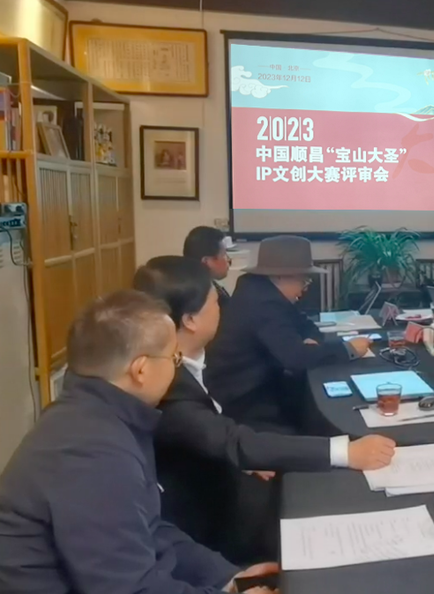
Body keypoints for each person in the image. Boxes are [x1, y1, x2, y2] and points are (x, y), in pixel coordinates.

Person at [0, 290, 278, 593]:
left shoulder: (98, 416)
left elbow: (150, 529)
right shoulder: (91, 451)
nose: (176, 368)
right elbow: (128, 589)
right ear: (141, 370)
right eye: (174, 358)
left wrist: (227, 579)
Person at [135, 256, 396, 563]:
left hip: (221, 468)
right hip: (202, 527)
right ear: (190, 320)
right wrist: (345, 452)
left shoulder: (182, 363)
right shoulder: (167, 385)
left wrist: (242, 455)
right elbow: (230, 440)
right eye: (215, 302)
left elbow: (220, 436)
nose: (224, 310)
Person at [207, 235, 370, 432]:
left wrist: (310, 341)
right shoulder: (262, 303)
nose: (305, 288)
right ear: (281, 276)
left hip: (264, 385)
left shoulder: (263, 290)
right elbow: (296, 358)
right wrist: (348, 349)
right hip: (244, 400)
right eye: (304, 280)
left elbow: (307, 326)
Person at [184, 226, 233, 311]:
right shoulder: (201, 298)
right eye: (224, 254)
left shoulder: (191, 283)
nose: (229, 260)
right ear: (206, 261)